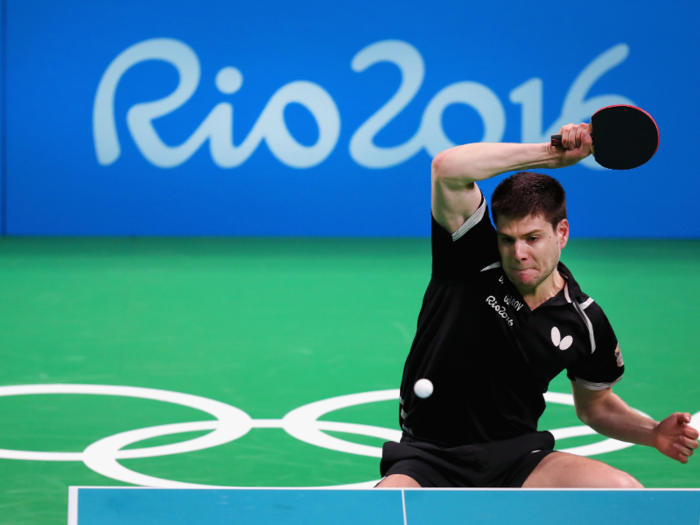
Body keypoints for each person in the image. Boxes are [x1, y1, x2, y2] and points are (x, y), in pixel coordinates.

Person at [376, 123, 699, 488]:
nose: (518, 254)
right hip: (429, 456)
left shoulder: (584, 320)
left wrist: (652, 432)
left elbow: (596, 406)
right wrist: (551, 155)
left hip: (515, 458)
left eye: (532, 238)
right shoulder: (469, 257)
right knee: (383, 514)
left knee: (623, 493)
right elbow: (447, 169)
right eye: (507, 239)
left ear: (561, 233)